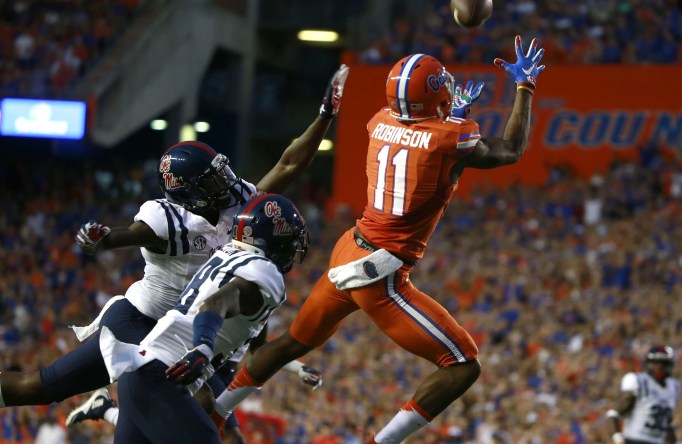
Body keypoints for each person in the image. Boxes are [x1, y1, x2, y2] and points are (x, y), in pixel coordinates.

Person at [205, 35, 547, 443]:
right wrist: (524, 87)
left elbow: (422, 136)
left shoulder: (380, 119)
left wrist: (452, 112)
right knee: (462, 364)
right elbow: (509, 150)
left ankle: (218, 409)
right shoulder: (451, 137)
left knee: (293, 342)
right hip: (380, 272)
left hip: (350, 246)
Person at [0, 66, 348, 425]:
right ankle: (111, 410)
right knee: (41, 388)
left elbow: (288, 164)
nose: (225, 182)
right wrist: (101, 240)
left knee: (200, 417)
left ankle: (108, 411)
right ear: (188, 195)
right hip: (142, 321)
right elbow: (126, 235)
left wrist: (325, 115)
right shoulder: (165, 220)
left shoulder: (237, 203)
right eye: (211, 180)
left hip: (191, 327)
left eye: (220, 172)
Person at [104, 193, 310, 443]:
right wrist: (202, 346)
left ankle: (105, 410)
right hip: (164, 375)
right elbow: (215, 303)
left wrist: (297, 368)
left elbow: (258, 348)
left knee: (203, 406)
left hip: (145, 372)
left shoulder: (228, 255)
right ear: (277, 239)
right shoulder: (265, 274)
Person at [607, 346, 681, 444]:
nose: (659, 368)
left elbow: (666, 422)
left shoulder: (673, 386)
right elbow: (614, 414)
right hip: (634, 440)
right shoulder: (639, 381)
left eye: (663, 364)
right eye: (656, 364)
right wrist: (617, 436)